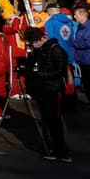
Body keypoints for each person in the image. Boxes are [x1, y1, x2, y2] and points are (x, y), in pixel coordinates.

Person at [19, 26, 72, 161]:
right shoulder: (38, 50)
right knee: (46, 120)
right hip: (42, 89)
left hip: (54, 90)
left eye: (35, 41)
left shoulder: (56, 49)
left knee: (55, 121)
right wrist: (25, 68)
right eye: (32, 43)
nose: (34, 45)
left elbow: (59, 71)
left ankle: (61, 151)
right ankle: (49, 146)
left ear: (42, 38)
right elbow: (34, 66)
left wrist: (37, 74)